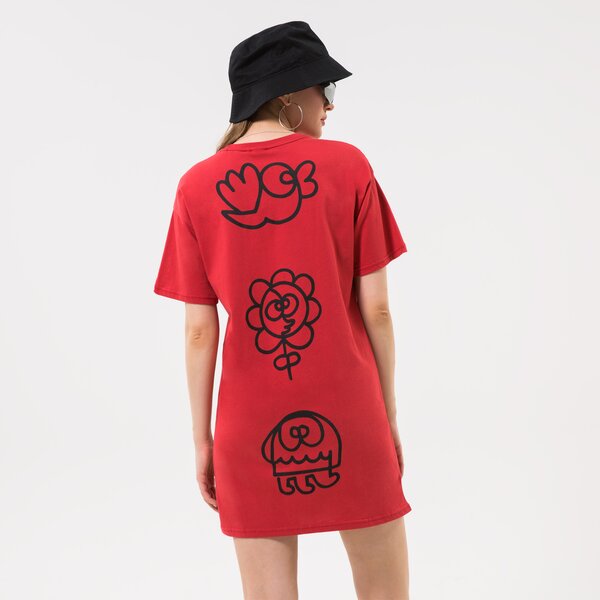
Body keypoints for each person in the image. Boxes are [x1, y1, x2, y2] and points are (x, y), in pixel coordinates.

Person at [154, 20, 412, 600]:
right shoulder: (349, 167)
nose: (330, 105)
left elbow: (199, 332)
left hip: (248, 426)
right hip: (352, 411)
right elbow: (377, 311)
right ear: (291, 94)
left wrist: (204, 439)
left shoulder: (195, 187)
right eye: (326, 88)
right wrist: (388, 416)